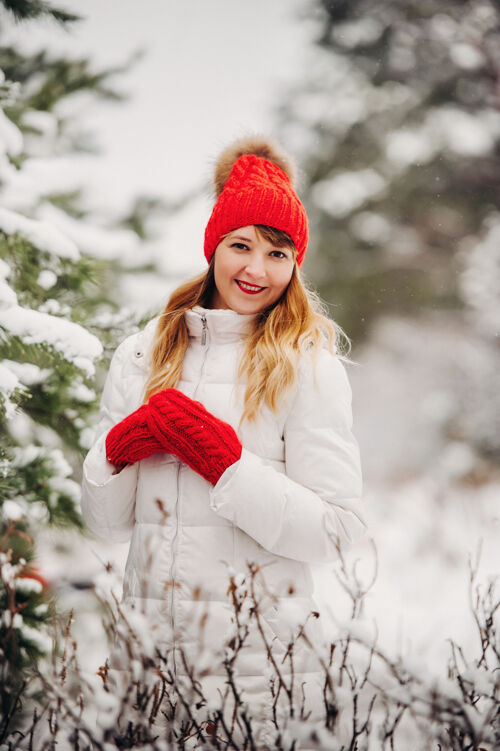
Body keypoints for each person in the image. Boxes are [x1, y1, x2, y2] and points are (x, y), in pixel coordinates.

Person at [81, 136, 365, 746]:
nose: (255, 270)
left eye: (277, 253)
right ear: (214, 247)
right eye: (240, 246)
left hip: (258, 672)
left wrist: (228, 465)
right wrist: (119, 447)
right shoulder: (142, 353)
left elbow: (338, 531)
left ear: (295, 264)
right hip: (149, 666)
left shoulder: (307, 366)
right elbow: (106, 525)